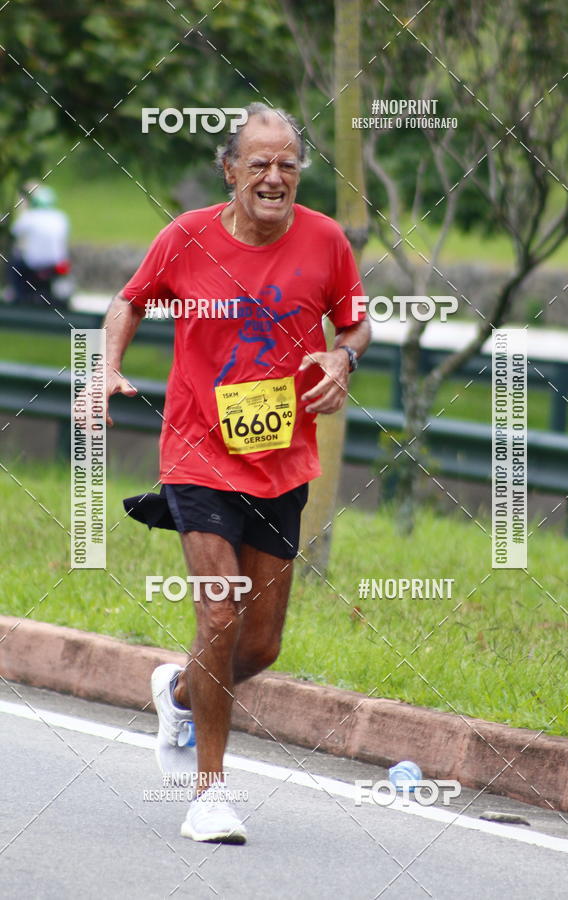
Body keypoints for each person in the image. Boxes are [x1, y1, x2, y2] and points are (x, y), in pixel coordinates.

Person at [104, 102, 371, 844]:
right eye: (258, 163)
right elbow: (128, 302)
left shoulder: (326, 241)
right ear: (230, 171)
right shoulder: (185, 238)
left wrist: (342, 355)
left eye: (287, 163)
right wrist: (107, 369)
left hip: (282, 459)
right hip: (197, 451)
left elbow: (356, 320)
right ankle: (210, 794)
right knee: (219, 615)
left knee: (259, 646)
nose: (274, 176)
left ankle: (180, 691)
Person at [7, 184, 70, 304]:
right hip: (57, 265)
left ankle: (18, 295)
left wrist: (22, 209)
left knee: (14, 263)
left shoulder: (29, 216)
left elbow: (15, 232)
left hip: (34, 264)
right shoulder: (61, 217)